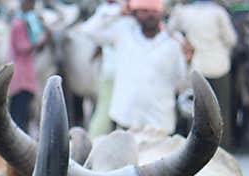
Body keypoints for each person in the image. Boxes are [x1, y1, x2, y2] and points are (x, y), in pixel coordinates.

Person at [81, 0, 192, 135]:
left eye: (154, 11)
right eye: (144, 11)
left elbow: (182, 81)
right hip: (126, 119)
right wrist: (118, 11)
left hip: (159, 124)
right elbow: (88, 30)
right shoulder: (123, 32)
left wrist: (189, 61)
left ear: (161, 13)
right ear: (134, 13)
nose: (150, 15)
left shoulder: (175, 42)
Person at [167, 0, 238, 149]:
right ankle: (221, 150)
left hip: (196, 66)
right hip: (219, 66)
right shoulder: (219, 12)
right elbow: (231, 40)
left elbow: (169, 30)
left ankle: (192, 150)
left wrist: (183, 42)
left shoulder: (183, 12)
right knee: (220, 111)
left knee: (194, 111)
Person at [87, 0, 135, 136]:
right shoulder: (108, 10)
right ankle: (91, 147)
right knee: (105, 113)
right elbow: (89, 30)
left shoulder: (137, 14)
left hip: (132, 76)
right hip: (112, 74)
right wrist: (119, 12)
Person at [8, 0, 51, 131]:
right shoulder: (19, 24)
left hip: (25, 76)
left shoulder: (25, 23)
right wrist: (43, 39)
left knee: (23, 114)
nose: (32, 6)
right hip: (21, 78)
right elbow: (24, 47)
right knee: (19, 116)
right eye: (29, 3)